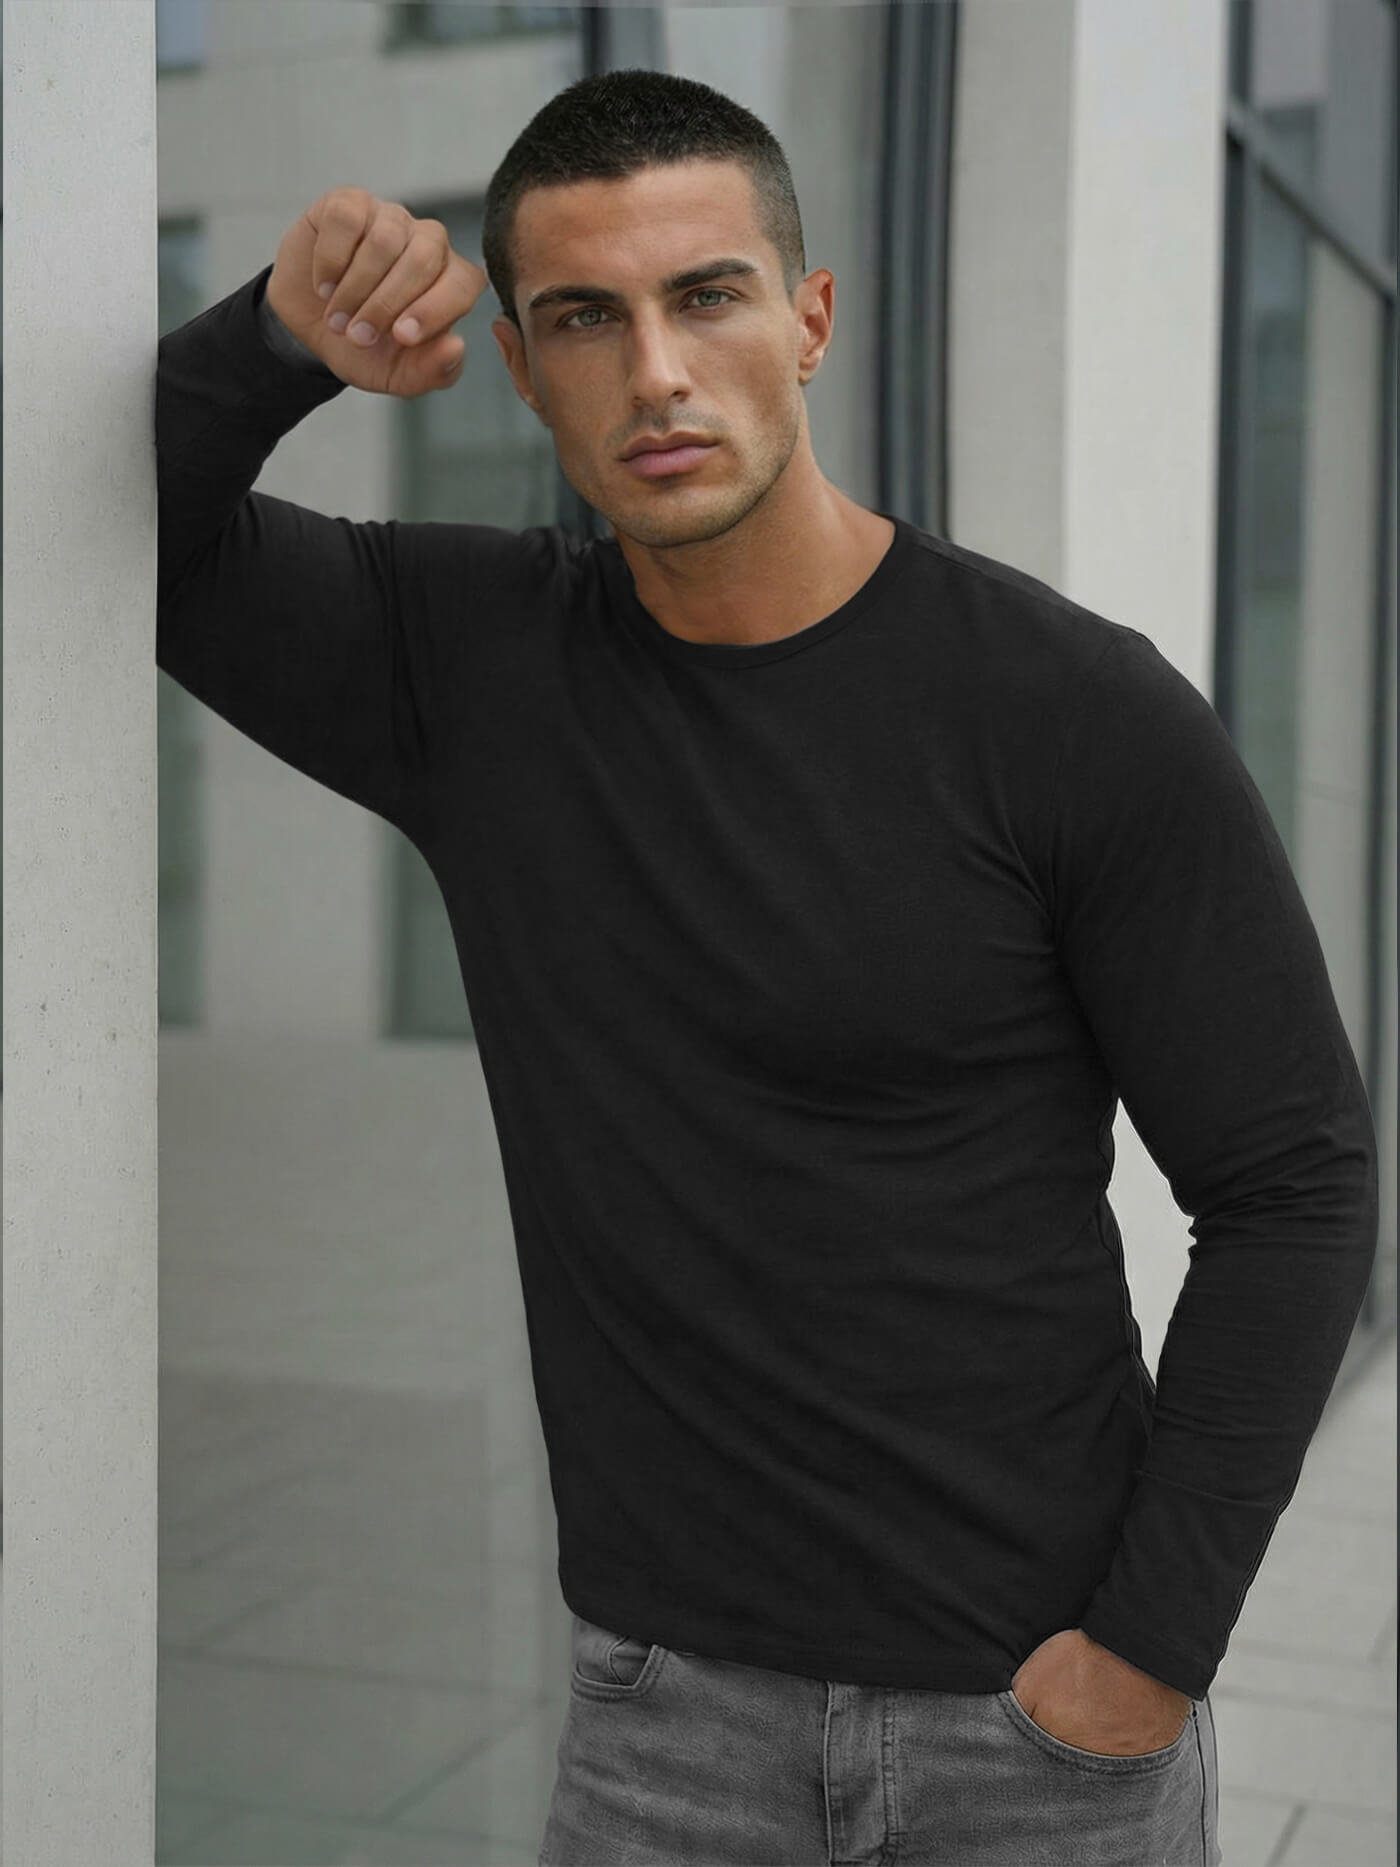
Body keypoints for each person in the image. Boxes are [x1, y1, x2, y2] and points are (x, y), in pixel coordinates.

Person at [155, 66, 1377, 1867]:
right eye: (587, 318)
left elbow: (1293, 1188)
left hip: (1032, 1733)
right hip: (662, 1727)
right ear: (521, 369)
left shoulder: (1071, 711)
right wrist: (279, 343)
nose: (655, 370)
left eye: (706, 295)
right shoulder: (470, 669)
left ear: (809, 321)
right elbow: (140, 536)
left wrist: (1147, 1652)